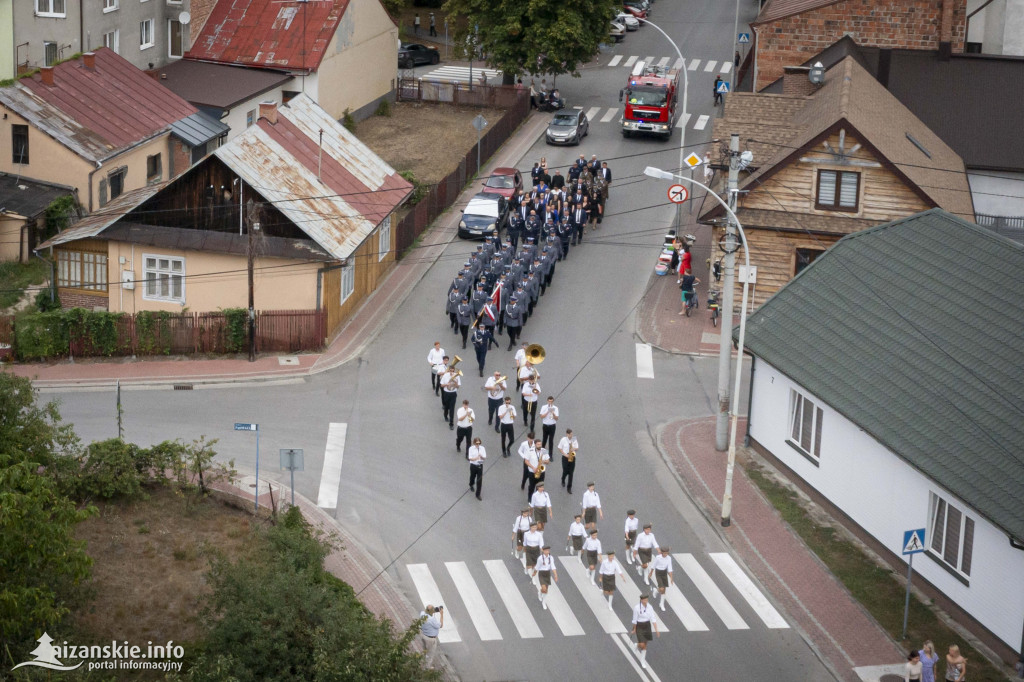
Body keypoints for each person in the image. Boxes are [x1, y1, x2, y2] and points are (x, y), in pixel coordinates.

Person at [631, 594, 659, 669]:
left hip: (647, 626)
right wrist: (634, 629)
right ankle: (637, 645)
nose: (646, 601)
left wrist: (656, 630)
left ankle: (642, 660)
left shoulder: (650, 607)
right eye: (645, 600)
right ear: (641, 600)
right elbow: (635, 620)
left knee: (645, 645)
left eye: (647, 599)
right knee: (642, 644)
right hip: (639, 626)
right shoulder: (636, 608)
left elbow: (653, 618)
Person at [418, 604, 444, 668]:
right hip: (430, 639)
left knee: (425, 650)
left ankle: (423, 660)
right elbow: (440, 625)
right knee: (430, 654)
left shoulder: (422, 614)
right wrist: (441, 614)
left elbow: (427, 612)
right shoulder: (432, 619)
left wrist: (434, 610)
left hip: (423, 635)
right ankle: (427, 668)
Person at [533, 545, 557, 609]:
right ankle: (543, 601)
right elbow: (537, 566)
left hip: (547, 573)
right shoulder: (540, 558)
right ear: (543, 551)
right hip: (541, 573)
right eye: (546, 550)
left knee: (546, 590)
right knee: (544, 589)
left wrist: (555, 575)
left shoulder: (551, 558)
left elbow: (553, 566)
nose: (547, 551)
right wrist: (534, 573)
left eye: (548, 550)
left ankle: (543, 598)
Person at [650, 546, 673, 611]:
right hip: (658, 573)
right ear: (662, 553)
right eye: (664, 553)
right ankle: (656, 590)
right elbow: (653, 565)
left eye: (667, 553)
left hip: (664, 573)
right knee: (661, 588)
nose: (665, 554)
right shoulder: (658, 557)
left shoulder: (669, 558)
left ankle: (661, 604)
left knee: (664, 590)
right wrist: (651, 573)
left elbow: (670, 568)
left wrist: (671, 578)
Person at [558, 428, 578, 493]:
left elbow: (577, 447)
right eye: (570, 434)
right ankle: (563, 479)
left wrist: (573, 448)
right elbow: (560, 448)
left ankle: (569, 487)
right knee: (565, 471)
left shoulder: (574, 439)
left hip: (572, 457)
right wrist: (565, 454)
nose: (571, 435)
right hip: (565, 457)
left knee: (571, 473)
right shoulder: (563, 439)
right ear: (567, 434)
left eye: (572, 434)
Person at [440, 365, 460, 429]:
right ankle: (445, 415)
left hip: (453, 393)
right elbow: (441, 385)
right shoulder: (445, 375)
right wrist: (446, 384)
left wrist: (456, 383)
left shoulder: (457, 376)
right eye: (451, 371)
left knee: (452, 408)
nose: (452, 372)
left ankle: (451, 423)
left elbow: (458, 387)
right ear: (449, 370)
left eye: (453, 371)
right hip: (446, 393)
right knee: (447, 406)